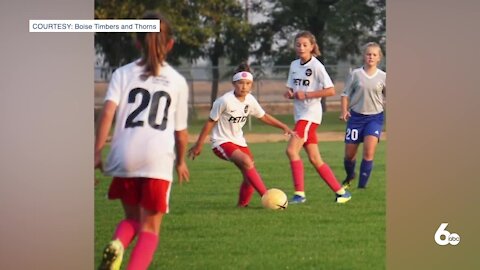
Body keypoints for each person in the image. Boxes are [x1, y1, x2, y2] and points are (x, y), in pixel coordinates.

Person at [94, 11, 190, 270]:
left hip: (124, 154)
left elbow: (107, 113)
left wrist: (96, 151)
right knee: (150, 229)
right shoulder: (177, 82)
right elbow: (181, 133)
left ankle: (118, 243)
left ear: (137, 42)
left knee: (132, 220)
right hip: (156, 157)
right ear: (170, 44)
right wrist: (181, 161)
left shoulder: (123, 73)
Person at [188, 63, 295, 207]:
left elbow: (263, 116)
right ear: (234, 83)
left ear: (251, 85)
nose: (244, 86)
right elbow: (209, 122)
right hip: (221, 142)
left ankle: (242, 206)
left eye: (248, 83)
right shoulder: (224, 101)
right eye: (240, 83)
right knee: (246, 161)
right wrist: (199, 144)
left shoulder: (250, 100)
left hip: (239, 141)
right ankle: (268, 197)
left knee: (249, 175)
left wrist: (283, 126)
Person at [283, 31, 351, 204]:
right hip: (300, 116)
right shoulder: (293, 65)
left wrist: (306, 95)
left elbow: (331, 90)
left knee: (291, 151)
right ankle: (342, 192)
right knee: (315, 159)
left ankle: (300, 194)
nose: (301, 48)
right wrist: (290, 93)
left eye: (305, 45)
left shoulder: (317, 66)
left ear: (312, 47)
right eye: (298, 44)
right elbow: (291, 89)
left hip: (310, 115)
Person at [339, 42, 386, 189]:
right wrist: (344, 111)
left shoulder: (384, 76)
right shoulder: (355, 74)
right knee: (349, 156)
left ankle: (362, 187)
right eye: (368, 54)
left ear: (379, 58)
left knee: (368, 152)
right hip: (356, 118)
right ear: (363, 56)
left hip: (374, 118)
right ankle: (350, 175)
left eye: (374, 55)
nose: (371, 57)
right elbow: (345, 94)